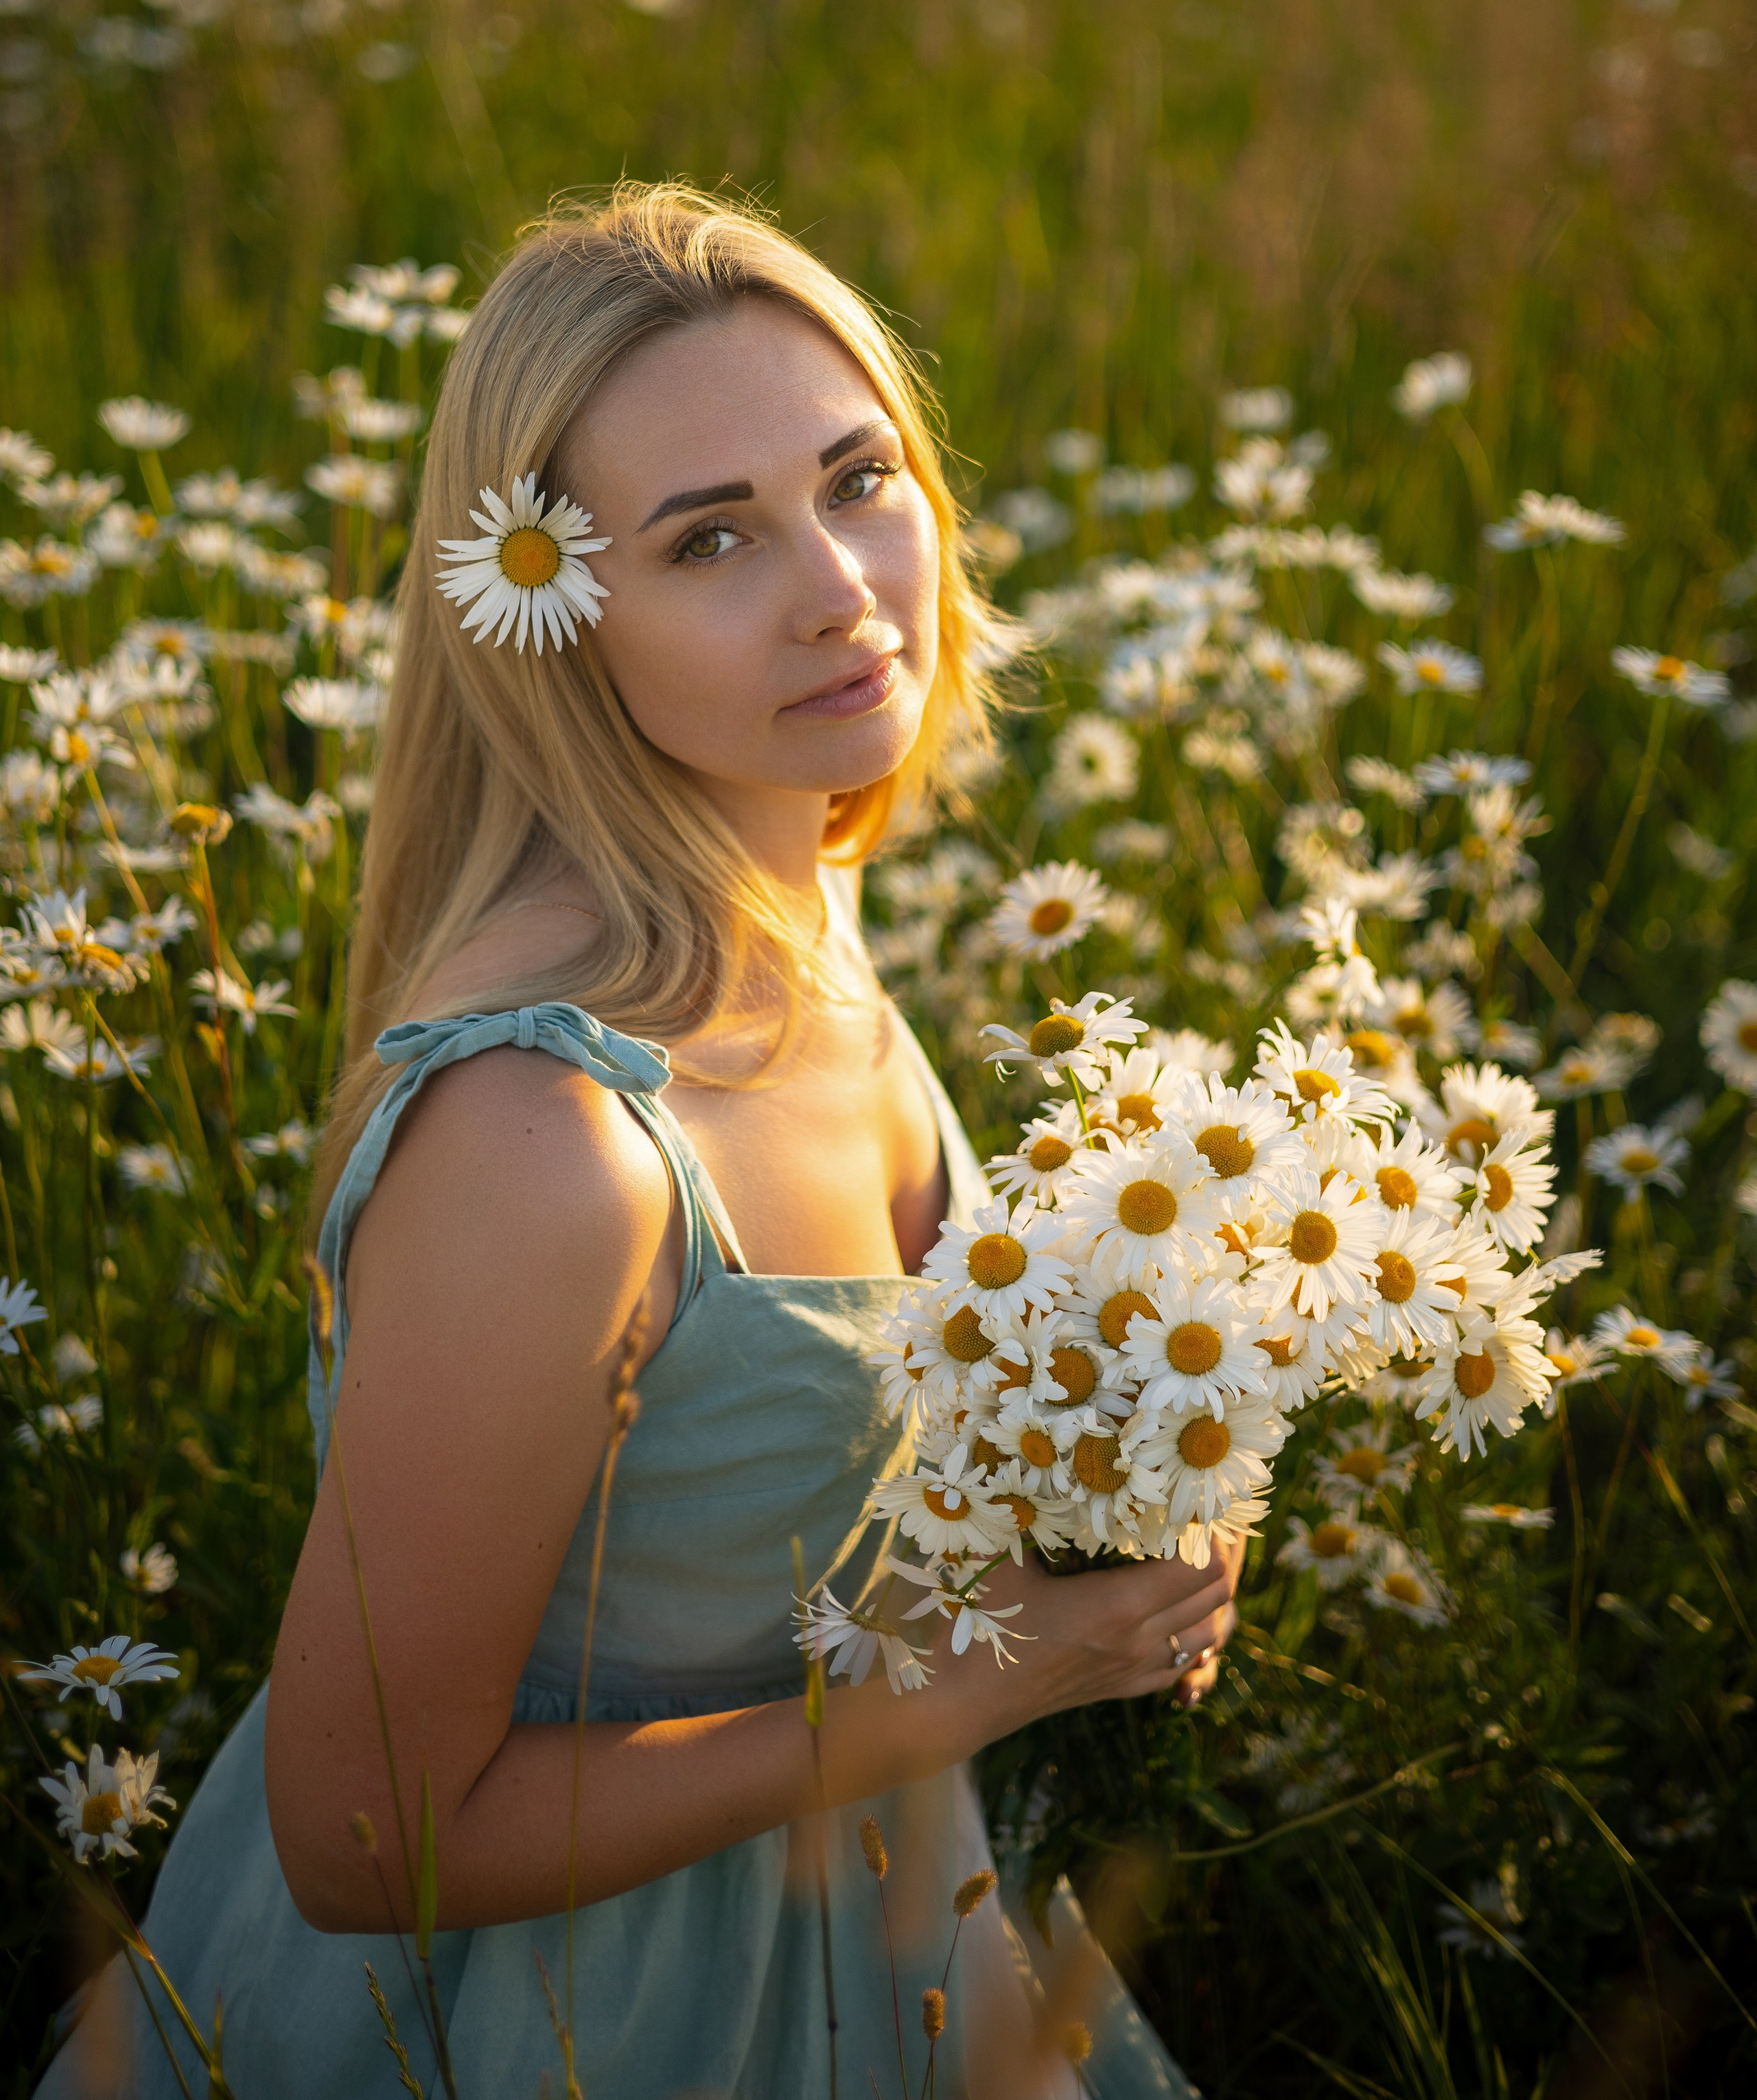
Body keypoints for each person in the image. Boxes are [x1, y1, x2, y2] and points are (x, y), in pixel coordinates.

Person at [43, 185, 1238, 2099]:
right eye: (711, 540)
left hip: (893, 1939)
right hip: (574, 2018)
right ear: (558, 627)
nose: (842, 587)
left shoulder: (791, 891)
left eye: (860, 478)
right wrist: (980, 1686)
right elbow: (365, 1847)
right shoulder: (550, 1140)